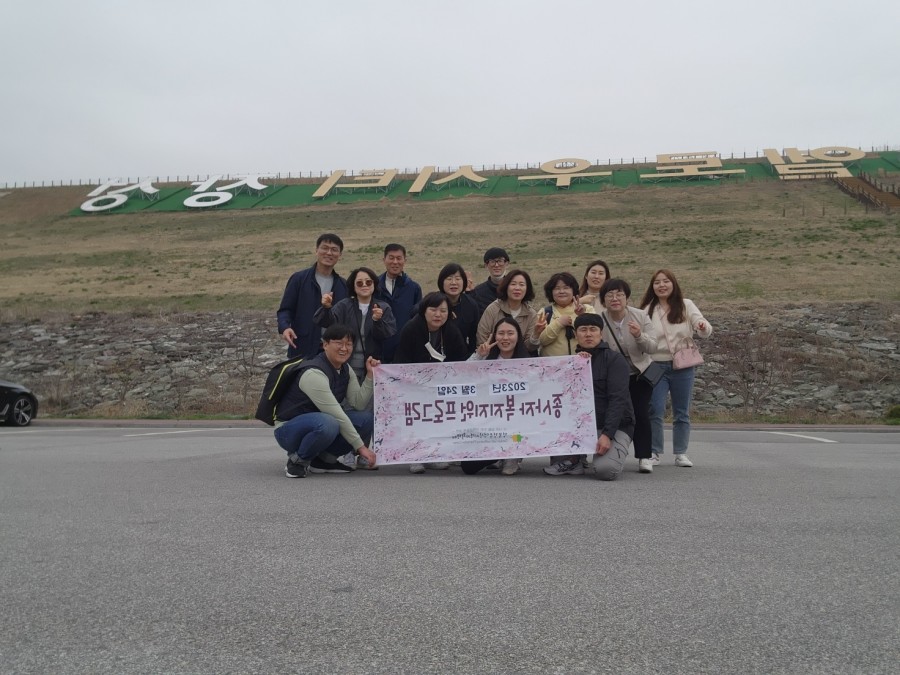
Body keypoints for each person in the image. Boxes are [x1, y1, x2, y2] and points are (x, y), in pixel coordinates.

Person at [273, 324, 378, 479]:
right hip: (288, 430)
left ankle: (323, 461)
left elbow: (358, 403)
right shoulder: (314, 373)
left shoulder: (345, 369)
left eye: (349, 344)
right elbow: (337, 414)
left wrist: (370, 375)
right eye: (339, 343)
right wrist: (361, 447)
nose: (344, 348)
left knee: (366, 419)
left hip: (320, 423)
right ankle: (298, 461)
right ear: (325, 345)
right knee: (329, 422)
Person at [544, 314, 634, 480]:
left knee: (606, 470)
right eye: (583, 330)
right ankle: (576, 460)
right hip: (580, 426)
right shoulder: (570, 362)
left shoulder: (615, 360)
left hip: (613, 426)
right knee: (561, 461)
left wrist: (607, 434)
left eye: (593, 330)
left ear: (601, 333)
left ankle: (613, 450)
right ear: (575, 334)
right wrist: (577, 365)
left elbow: (618, 400)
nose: (588, 334)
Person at [639, 269, 713, 468]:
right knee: (655, 409)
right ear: (652, 287)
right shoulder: (646, 309)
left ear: (673, 284)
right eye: (657, 282)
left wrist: (702, 326)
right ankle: (654, 451)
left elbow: (704, 327)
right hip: (655, 365)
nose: (661, 285)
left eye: (666, 281)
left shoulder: (686, 304)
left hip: (683, 364)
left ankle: (681, 453)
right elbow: (641, 338)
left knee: (682, 411)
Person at [394, 292, 468, 474]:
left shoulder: (451, 330)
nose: (438, 314)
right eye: (433, 309)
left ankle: (433, 455)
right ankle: (415, 456)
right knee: (417, 419)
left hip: (441, 385)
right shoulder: (411, 329)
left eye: (443, 310)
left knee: (437, 419)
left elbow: (460, 360)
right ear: (424, 310)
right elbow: (402, 360)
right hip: (414, 384)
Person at [597, 278, 658, 474]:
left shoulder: (640, 316)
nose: (615, 299)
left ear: (627, 298)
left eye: (620, 294)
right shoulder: (600, 319)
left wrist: (639, 335)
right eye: (610, 295)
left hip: (639, 374)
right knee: (614, 413)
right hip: (614, 377)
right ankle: (611, 453)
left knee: (640, 413)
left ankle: (645, 456)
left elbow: (653, 347)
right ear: (603, 300)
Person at [463, 317, 531, 476]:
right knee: (468, 467)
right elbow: (462, 375)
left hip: (517, 423)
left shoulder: (529, 364)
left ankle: (513, 455)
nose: (505, 338)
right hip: (489, 422)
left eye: (510, 333)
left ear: (518, 336)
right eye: (501, 333)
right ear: (494, 336)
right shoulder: (487, 358)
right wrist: (479, 356)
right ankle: (499, 455)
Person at [313, 266, 397, 382]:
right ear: (353, 286)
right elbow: (325, 322)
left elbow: (387, 334)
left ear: (374, 284)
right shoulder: (343, 305)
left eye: (368, 282)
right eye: (359, 283)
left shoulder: (383, 307)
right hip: (344, 365)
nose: (364, 285)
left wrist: (377, 321)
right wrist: (326, 308)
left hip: (372, 366)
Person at [277, 234, 348, 359]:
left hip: (332, 352)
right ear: (316, 250)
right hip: (302, 348)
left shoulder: (343, 285)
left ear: (340, 255)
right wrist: (285, 327)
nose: (329, 253)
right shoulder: (299, 279)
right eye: (325, 248)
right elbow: (285, 310)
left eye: (334, 250)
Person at [475, 269, 542, 356]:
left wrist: (535, 335)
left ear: (527, 289)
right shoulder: (493, 309)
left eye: (521, 285)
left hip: (521, 359)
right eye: (513, 284)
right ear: (506, 287)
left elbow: (530, 348)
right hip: (494, 358)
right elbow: (482, 338)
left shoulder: (531, 314)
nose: (517, 288)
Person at [375, 243, 422, 363]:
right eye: (391, 258)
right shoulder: (374, 286)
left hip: (405, 349)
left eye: (399, 258)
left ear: (405, 260)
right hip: (379, 350)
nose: (395, 262)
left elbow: (418, 319)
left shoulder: (414, 288)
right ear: (384, 260)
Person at [535, 271, 596, 357]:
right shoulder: (544, 312)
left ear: (573, 290)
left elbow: (595, 335)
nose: (561, 291)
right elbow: (541, 341)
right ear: (551, 292)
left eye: (566, 287)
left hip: (583, 362)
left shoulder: (587, 309)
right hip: (552, 364)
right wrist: (558, 323)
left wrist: (582, 316)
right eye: (557, 288)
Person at [437, 263, 480, 357]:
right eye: (449, 279)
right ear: (441, 282)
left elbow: (474, 336)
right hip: (435, 355)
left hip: (462, 356)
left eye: (457, 279)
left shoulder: (471, 305)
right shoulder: (434, 302)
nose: (453, 282)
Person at [472, 247, 510, 316]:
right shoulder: (478, 292)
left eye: (500, 261)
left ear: (507, 264)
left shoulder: (515, 289)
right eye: (492, 261)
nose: (496, 265)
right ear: (486, 265)